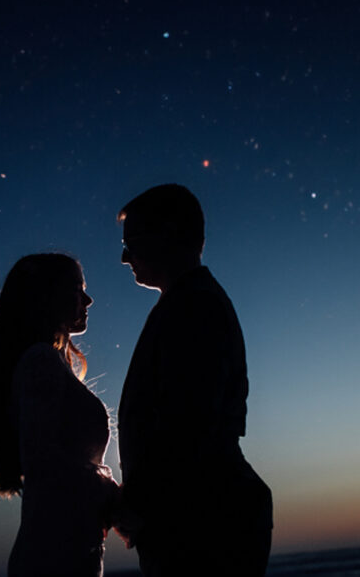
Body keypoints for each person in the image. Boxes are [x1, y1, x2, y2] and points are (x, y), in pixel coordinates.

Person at [116, 184, 273, 577]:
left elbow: (186, 427)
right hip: (197, 515)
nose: (123, 256)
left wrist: (136, 504)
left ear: (168, 233)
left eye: (131, 242)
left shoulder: (194, 307)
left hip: (202, 522)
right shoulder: (186, 302)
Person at [0, 253, 120, 577]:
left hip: (66, 549)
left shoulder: (48, 363)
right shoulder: (40, 362)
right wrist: (111, 496)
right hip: (53, 556)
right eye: (76, 288)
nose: (88, 299)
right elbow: (43, 463)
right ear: (45, 296)